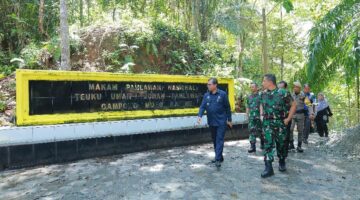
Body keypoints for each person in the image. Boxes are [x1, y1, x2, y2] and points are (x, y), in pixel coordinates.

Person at [260, 74, 296, 178]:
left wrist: (288, 118)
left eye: (264, 81)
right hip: (267, 123)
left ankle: (281, 160)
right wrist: (261, 115)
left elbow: (293, 105)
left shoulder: (283, 93)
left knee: (281, 144)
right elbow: (261, 104)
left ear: (270, 82)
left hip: (280, 123)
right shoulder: (263, 94)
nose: (262, 83)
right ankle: (268, 167)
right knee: (268, 145)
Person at [197, 78, 232, 168]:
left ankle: (217, 159)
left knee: (219, 139)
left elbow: (227, 108)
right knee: (214, 140)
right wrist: (199, 116)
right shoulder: (206, 95)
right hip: (212, 122)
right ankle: (219, 156)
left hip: (221, 121)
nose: (208, 86)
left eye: (209, 84)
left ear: (215, 85)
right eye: (207, 84)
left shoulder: (222, 94)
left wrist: (229, 119)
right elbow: (202, 107)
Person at [246, 82, 264, 153]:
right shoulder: (249, 97)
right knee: (251, 131)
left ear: (256, 87)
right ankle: (252, 146)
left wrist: (261, 115)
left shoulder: (260, 96)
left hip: (259, 117)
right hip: (252, 117)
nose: (251, 88)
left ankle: (262, 143)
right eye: (251, 87)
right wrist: (247, 115)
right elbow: (247, 106)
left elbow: (261, 105)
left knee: (261, 131)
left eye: (253, 87)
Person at [289, 81, 306, 153]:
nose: (294, 88)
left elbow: (309, 105)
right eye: (294, 87)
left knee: (300, 130)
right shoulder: (290, 95)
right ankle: (291, 144)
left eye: (296, 87)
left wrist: (312, 114)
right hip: (292, 115)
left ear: (299, 88)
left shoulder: (303, 96)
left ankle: (299, 146)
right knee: (290, 129)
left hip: (300, 115)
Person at [278, 81, 293, 154]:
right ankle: (280, 150)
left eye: (282, 87)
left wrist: (289, 117)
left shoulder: (287, 93)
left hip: (286, 117)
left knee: (286, 133)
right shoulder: (275, 93)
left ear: (285, 87)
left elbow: (292, 105)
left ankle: (285, 150)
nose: (280, 89)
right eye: (279, 87)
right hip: (277, 117)